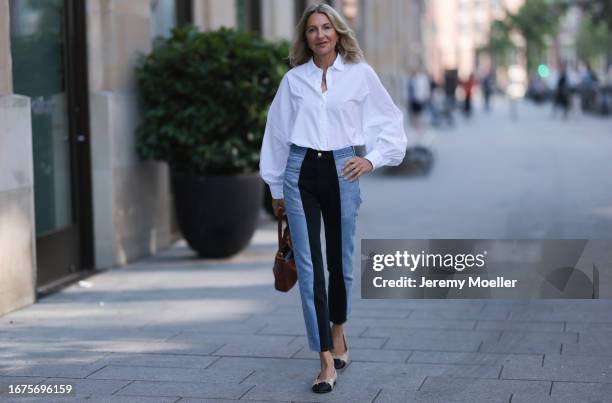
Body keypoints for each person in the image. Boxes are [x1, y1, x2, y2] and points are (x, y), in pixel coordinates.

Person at [259, 3, 407, 394]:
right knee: (309, 269)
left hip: (343, 169)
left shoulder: (360, 75)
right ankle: (325, 358)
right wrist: (276, 189)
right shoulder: (293, 80)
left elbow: (390, 122)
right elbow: (275, 134)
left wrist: (371, 159)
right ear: (304, 37)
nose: (320, 35)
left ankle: (338, 329)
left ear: (338, 33)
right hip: (300, 171)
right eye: (312, 29)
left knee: (340, 264)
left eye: (327, 27)